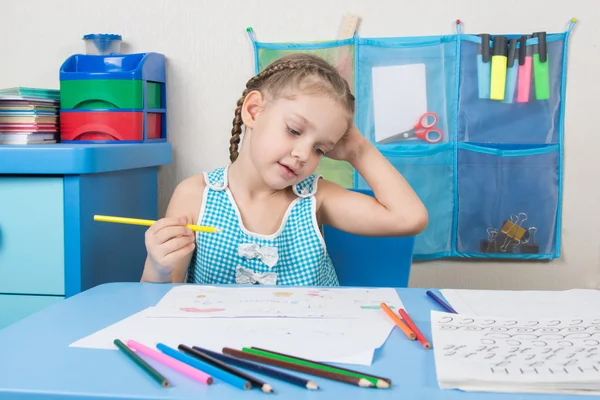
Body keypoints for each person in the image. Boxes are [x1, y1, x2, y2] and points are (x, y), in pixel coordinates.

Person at [141, 53, 428, 285]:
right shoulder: (195, 196)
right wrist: (159, 267)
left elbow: (410, 218)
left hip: (308, 350)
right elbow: (161, 304)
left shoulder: (317, 199)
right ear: (254, 111)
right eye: (293, 130)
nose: (304, 154)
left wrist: (358, 150)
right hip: (219, 352)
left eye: (320, 149)